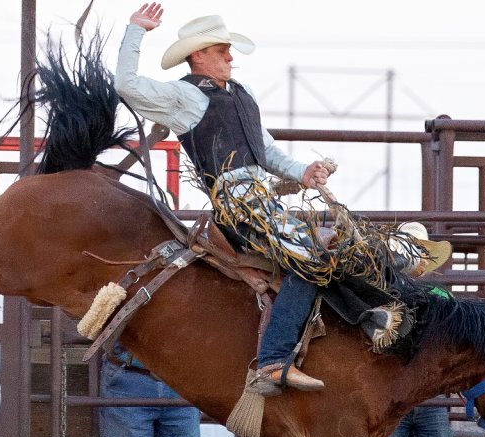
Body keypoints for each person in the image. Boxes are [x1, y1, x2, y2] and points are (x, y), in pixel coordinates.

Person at [115, 3, 331, 394]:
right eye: (221, 51)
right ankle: (273, 361)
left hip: (262, 203)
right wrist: (136, 31)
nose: (231, 57)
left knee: (335, 248)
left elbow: (266, 152)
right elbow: (127, 85)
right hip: (238, 209)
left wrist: (302, 172)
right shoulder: (183, 96)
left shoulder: (242, 96)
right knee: (312, 259)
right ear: (198, 56)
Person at [365, 222, 453, 437]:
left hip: (423, 404)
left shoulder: (440, 295)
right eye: (408, 250)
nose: (414, 258)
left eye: (420, 252)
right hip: (396, 404)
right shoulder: (378, 291)